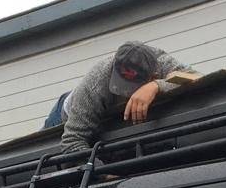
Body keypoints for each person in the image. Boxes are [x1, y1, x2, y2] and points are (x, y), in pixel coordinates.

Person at [44, 41, 195, 150]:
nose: (124, 94)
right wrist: (102, 175)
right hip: (65, 114)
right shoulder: (97, 81)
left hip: (105, 114)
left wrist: (157, 86)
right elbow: (72, 140)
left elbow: (196, 78)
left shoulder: (161, 63)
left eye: (132, 90)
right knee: (40, 158)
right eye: (120, 87)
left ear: (153, 76)